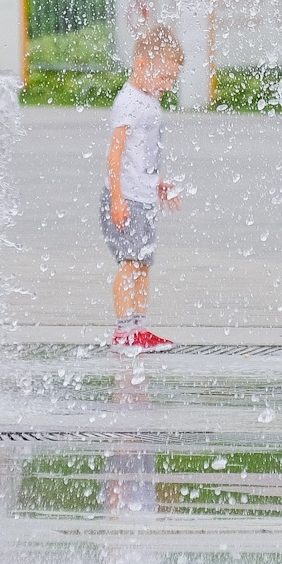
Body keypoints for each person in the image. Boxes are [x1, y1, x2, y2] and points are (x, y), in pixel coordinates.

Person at [102, 24, 184, 355]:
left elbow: (144, 153)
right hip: (126, 198)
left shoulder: (149, 102)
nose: (167, 86)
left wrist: (158, 182)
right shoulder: (129, 103)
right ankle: (124, 332)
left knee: (144, 264)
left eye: (171, 80)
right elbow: (116, 152)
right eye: (163, 78)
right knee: (130, 263)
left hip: (143, 195)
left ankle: (138, 327)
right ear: (141, 67)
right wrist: (118, 199)